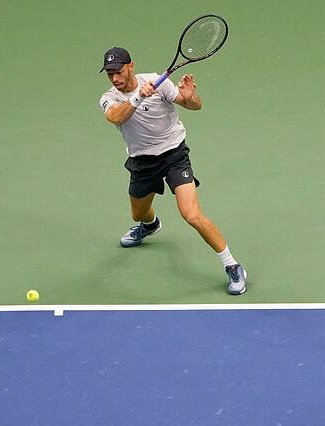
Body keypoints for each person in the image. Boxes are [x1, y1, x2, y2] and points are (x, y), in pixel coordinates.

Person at [98, 47, 247, 295]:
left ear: (131, 66)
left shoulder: (159, 83)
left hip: (174, 155)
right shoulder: (109, 97)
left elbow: (195, 106)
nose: (115, 78)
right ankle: (149, 225)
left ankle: (232, 265)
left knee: (191, 214)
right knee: (138, 213)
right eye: (110, 73)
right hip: (142, 162)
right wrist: (137, 98)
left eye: (119, 71)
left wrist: (189, 98)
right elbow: (115, 117)